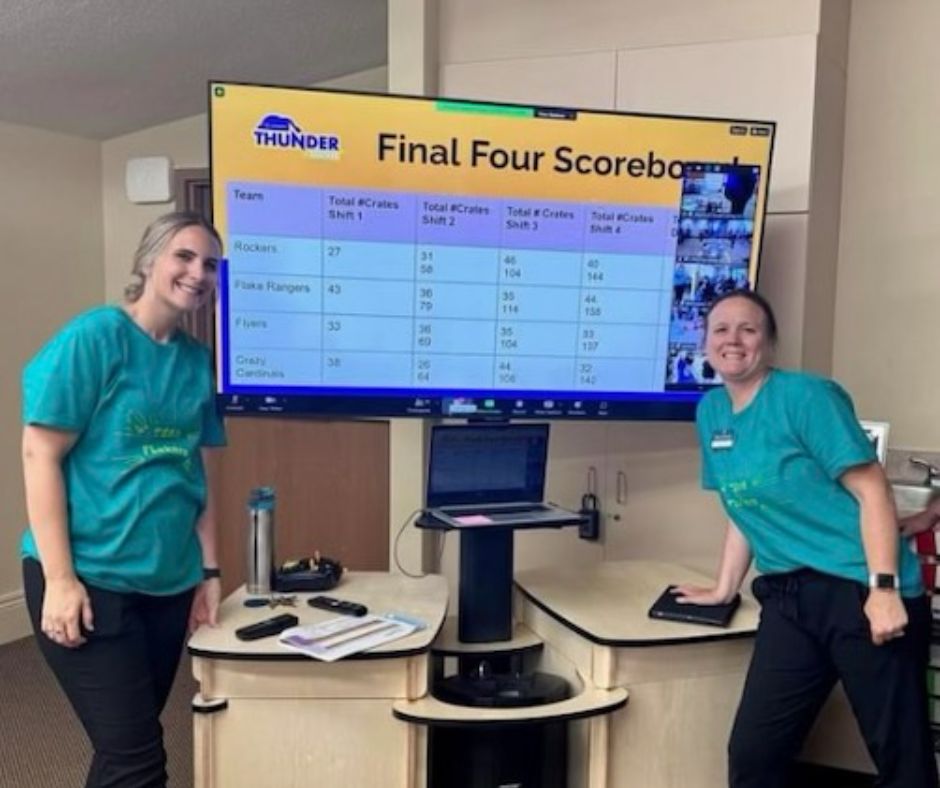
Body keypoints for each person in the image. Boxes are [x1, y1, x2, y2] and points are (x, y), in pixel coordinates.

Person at [675, 290, 937, 788]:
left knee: (902, 761)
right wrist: (723, 588)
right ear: (705, 343)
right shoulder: (711, 412)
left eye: (748, 329)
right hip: (790, 599)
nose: (733, 339)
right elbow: (742, 505)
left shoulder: (805, 398)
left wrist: (883, 590)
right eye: (721, 329)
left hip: (860, 588)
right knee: (754, 755)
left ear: (769, 343)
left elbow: (873, 490)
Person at [20, 211, 226, 787]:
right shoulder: (96, 338)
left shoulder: (195, 362)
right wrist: (60, 580)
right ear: (149, 259)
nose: (198, 272)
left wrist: (209, 573)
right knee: (138, 760)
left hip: (168, 584)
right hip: (92, 579)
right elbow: (40, 453)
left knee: (124, 749)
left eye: (210, 264)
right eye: (184, 256)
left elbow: (200, 476)